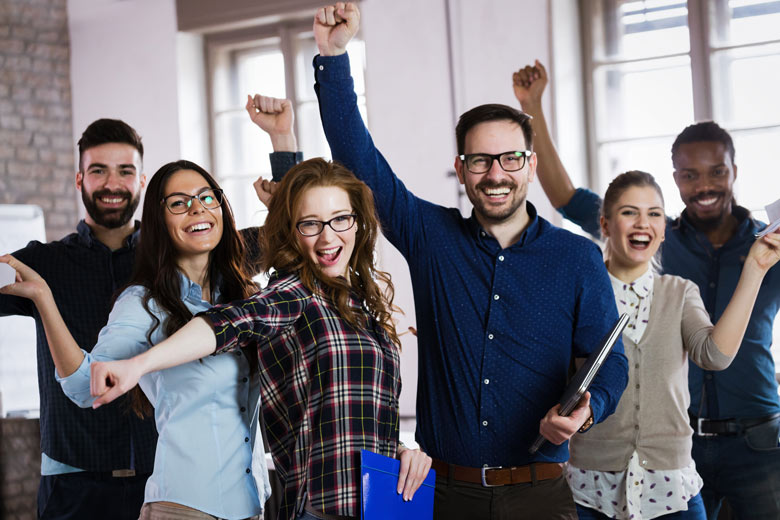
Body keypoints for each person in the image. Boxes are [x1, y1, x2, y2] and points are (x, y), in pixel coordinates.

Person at [310, 4, 629, 519]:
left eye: (510, 159)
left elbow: (611, 360)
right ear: (461, 168)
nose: (495, 173)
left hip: (540, 494)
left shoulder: (577, 258)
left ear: (530, 166)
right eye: (480, 160)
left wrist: (587, 411)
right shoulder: (431, 237)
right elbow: (360, 160)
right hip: (447, 495)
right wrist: (333, 54)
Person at [82, 158, 433, 520]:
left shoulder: (362, 306)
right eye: (310, 224)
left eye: (340, 219)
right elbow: (226, 324)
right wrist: (137, 365)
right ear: (294, 232)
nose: (328, 236)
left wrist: (403, 451)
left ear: (358, 222)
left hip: (384, 505)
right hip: (321, 509)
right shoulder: (294, 294)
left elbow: (367, 413)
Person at [514, 60, 780, 520]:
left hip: (752, 441)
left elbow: (714, 352)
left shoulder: (766, 247)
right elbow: (565, 197)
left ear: (735, 170)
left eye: (717, 171)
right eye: (689, 175)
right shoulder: (648, 242)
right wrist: (533, 107)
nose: (705, 185)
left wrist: (757, 265)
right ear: (675, 178)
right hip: (646, 457)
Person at [1, 159, 276, 519]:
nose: (197, 208)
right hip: (184, 507)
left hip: (252, 502)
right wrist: (44, 300)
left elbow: (302, 245)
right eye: (179, 203)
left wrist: (282, 144)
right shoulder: (145, 303)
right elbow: (86, 386)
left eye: (207, 197)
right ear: (160, 222)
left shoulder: (244, 296)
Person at [0, 119, 155, 519]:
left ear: (141, 180)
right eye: (98, 170)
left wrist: (282, 149)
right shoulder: (43, 263)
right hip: (71, 490)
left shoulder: (170, 262)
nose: (112, 184)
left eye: (125, 171)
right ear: (79, 179)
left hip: (163, 482)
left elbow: (275, 243)